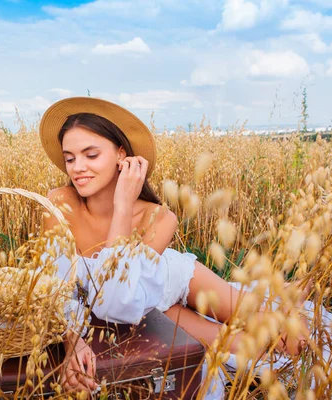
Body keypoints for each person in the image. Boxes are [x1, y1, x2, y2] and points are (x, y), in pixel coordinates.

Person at [38, 97, 309, 394]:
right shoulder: (58, 203)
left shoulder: (159, 217)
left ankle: (287, 302)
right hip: (146, 307)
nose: (78, 168)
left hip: (174, 281)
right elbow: (58, 286)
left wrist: (123, 204)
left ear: (121, 155)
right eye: (70, 158)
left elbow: (112, 293)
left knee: (287, 340)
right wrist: (73, 342)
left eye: (91, 155)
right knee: (247, 346)